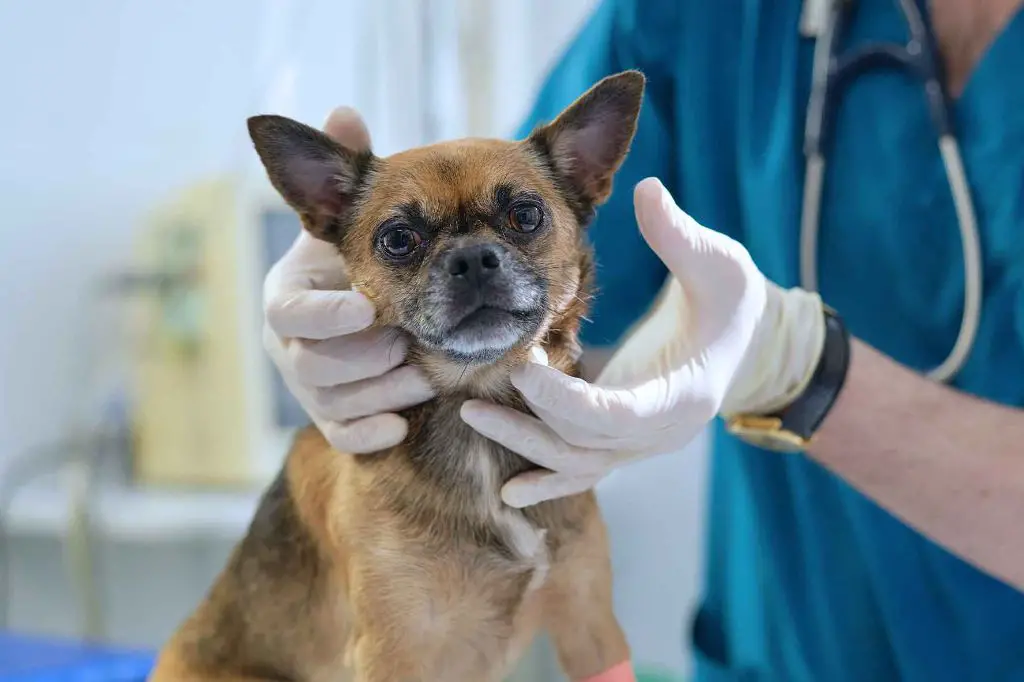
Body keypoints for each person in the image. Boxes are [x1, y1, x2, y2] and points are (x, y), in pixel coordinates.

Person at [261, 0, 1024, 679]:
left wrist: (794, 365)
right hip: (778, 655)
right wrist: (358, 320)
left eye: (516, 223)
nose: (474, 254)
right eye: (402, 240)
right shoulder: (705, 16)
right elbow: (565, 332)